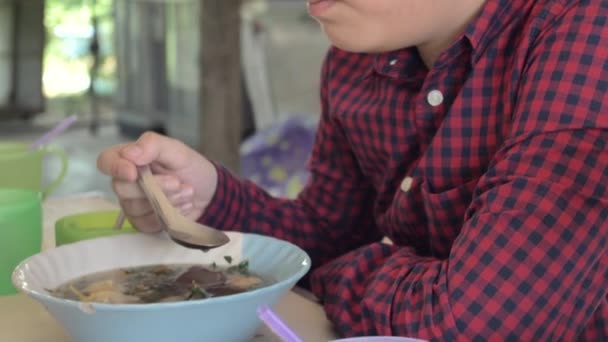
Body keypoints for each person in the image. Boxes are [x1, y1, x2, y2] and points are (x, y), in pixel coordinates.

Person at [97, 0, 608, 340]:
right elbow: (329, 231)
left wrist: (328, 278)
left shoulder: (588, 35)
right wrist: (209, 197)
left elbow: (481, 322)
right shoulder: (352, 61)